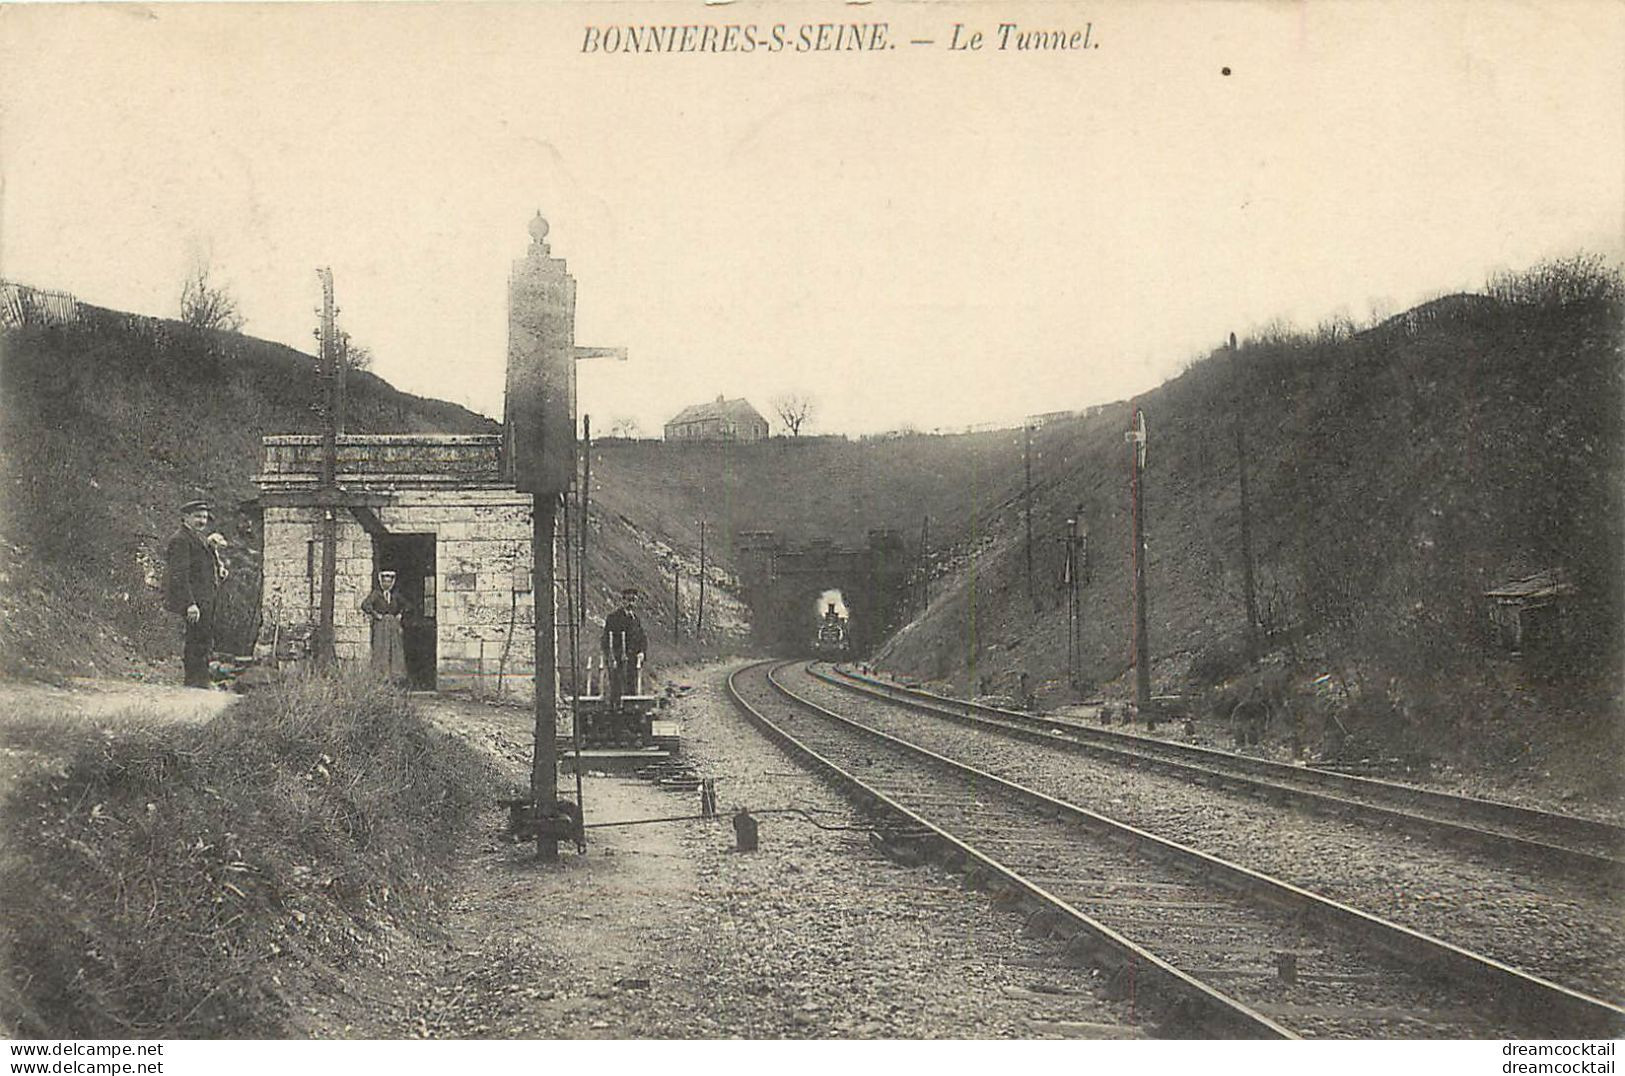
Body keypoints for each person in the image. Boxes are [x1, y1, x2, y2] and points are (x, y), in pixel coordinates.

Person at [163, 498, 224, 688]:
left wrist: (218, 567)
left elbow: (202, 565)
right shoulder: (180, 540)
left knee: (203, 638)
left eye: (205, 517)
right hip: (195, 600)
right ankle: (194, 682)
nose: (202, 521)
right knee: (196, 640)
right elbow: (179, 575)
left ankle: (200, 680)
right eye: (197, 516)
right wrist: (190, 603)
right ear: (185, 517)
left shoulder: (198, 538)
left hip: (206, 599)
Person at [600, 586, 647, 711]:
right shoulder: (613, 618)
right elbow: (606, 639)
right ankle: (615, 711)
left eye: (633, 600)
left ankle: (630, 712)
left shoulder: (636, 620)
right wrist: (611, 657)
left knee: (631, 686)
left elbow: (642, 638)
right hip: (618, 659)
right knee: (617, 686)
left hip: (632, 660)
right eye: (628, 600)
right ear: (623, 601)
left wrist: (642, 652)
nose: (630, 603)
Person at [360, 570, 412, 684]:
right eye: (385, 582)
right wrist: (375, 614)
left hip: (393, 625)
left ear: (392, 583)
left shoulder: (395, 595)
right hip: (381, 625)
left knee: (394, 649)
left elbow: (408, 606)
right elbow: (365, 604)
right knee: (381, 648)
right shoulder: (376, 594)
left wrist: (400, 614)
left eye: (389, 582)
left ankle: (395, 677)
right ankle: (381, 676)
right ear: (381, 582)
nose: (387, 584)